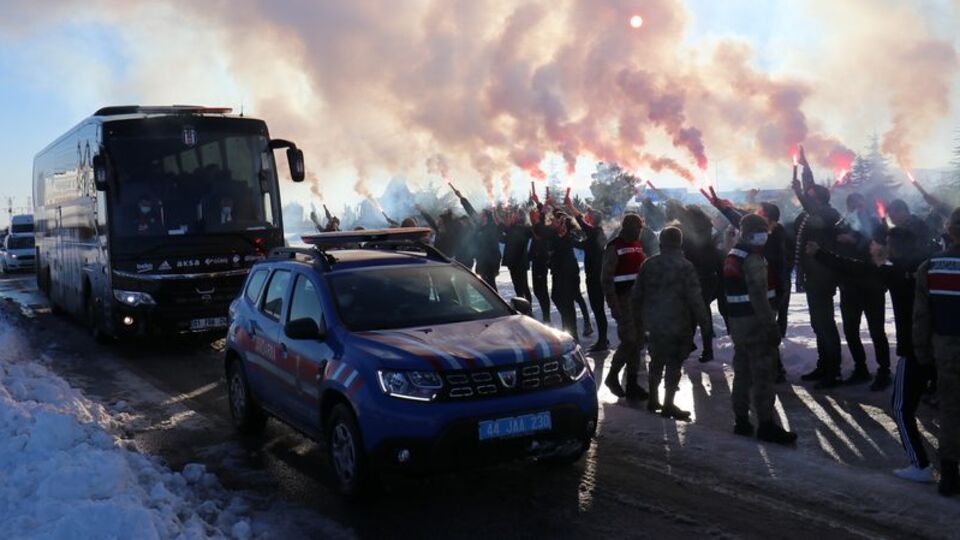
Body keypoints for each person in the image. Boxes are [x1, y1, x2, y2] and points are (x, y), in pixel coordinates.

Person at [808, 227, 933, 482]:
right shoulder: (930, 265)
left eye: (887, 243)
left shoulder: (895, 271)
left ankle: (921, 465)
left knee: (901, 407)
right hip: (942, 344)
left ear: (894, 246)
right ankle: (949, 468)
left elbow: (856, 267)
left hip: (914, 348)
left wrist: (820, 253)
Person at [726, 214, 797, 444]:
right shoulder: (753, 258)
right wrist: (771, 326)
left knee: (742, 372)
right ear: (748, 233)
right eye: (760, 231)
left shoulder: (734, 254)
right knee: (763, 374)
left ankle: (741, 420)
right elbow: (758, 295)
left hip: (739, 323)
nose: (764, 235)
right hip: (756, 323)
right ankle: (766, 425)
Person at [630, 226, 711, 420]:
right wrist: (705, 324)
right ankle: (668, 404)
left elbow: (636, 295)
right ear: (680, 243)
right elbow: (695, 299)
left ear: (661, 243)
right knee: (674, 363)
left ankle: (653, 399)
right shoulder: (685, 266)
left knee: (656, 360)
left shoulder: (648, 264)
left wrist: (638, 320)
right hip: (678, 323)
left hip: (654, 322)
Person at [913, 207, 960, 497]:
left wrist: (922, 354)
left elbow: (921, 317)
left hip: (946, 349)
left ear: (950, 231)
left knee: (951, 409)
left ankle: (950, 475)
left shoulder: (930, 266)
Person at [792, 161, 843, 389]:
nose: (806, 196)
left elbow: (812, 205)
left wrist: (800, 192)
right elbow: (810, 192)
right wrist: (805, 167)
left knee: (825, 324)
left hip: (823, 276)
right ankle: (824, 365)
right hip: (812, 276)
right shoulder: (811, 213)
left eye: (810, 196)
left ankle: (834, 371)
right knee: (817, 323)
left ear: (819, 199)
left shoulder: (829, 214)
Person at [835, 193, 891, 390]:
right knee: (851, 330)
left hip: (872, 285)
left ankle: (884, 371)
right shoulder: (844, 223)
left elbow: (880, 249)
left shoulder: (875, 224)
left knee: (877, 330)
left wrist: (855, 241)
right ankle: (860, 368)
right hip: (849, 285)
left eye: (858, 204)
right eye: (851, 204)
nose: (855, 208)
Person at [601, 213, 648, 400]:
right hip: (623, 301)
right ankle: (612, 377)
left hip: (639, 301)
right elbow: (606, 279)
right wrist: (613, 305)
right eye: (637, 228)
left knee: (637, 343)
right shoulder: (614, 247)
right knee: (629, 340)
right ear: (627, 227)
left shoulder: (637, 245)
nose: (640, 231)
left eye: (641, 228)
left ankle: (632, 384)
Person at [569, 202, 608, 351]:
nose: (586, 218)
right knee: (598, 310)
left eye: (588, 217)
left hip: (595, 278)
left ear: (592, 220)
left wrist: (570, 206)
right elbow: (581, 245)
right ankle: (603, 338)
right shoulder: (597, 234)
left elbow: (581, 222)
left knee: (598, 309)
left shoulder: (595, 232)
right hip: (596, 276)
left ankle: (602, 341)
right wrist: (569, 238)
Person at [547, 211, 582, 341]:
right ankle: (568, 327)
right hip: (558, 271)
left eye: (556, 220)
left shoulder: (569, 236)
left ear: (563, 225)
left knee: (568, 302)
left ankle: (572, 334)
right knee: (556, 297)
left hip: (568, 273)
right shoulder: (555, 235)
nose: (553, 221)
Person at [500, 208, 533, 303]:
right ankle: (522, 305)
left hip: (520, 263)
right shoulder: (511, 228)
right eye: (513, 215)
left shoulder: (524, 228)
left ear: (520, 217)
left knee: (523, 286)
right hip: (512, 263)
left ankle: (527, 306)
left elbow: (521, 237)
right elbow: (503, 239)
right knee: (517, 286)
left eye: (515, 215)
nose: (513, 216)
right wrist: (502, 229)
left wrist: (507, 227)